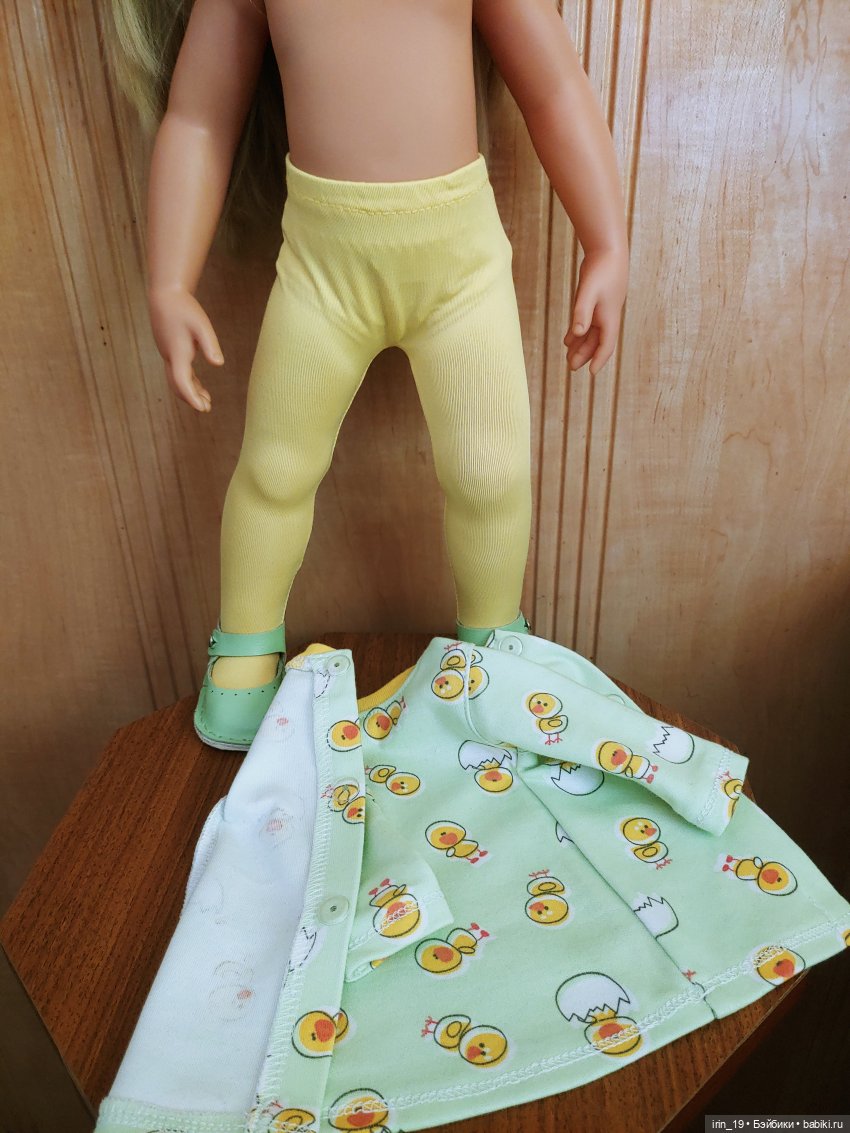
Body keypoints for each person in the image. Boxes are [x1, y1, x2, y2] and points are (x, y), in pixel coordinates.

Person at [108, 0, 629, 748]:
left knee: (490, 469)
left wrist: (605, 241)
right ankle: (246, 642)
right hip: (322, 268)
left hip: (461, 267)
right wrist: (169, 282)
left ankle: (493, 644)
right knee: (276, 467)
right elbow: (198, 119)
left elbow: (554, 87)